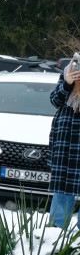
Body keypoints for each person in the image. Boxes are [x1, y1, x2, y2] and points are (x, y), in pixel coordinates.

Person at [49, 57, 80, 227]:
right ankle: (55, 240)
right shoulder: (70, 67)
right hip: (67, 137)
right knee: (62, 190)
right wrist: (67, 83)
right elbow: (55, 100)